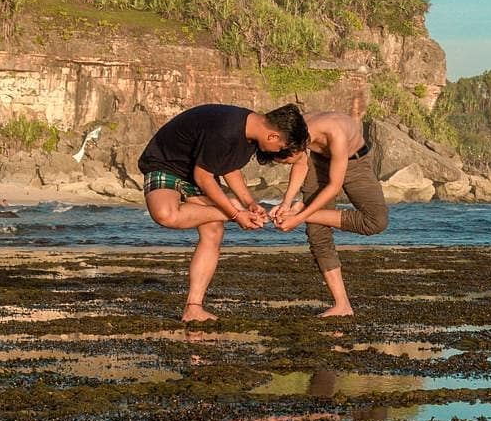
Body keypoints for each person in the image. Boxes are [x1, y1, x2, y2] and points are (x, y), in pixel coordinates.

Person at [138, 103, 309, 322]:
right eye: (282, 147)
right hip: (166, 162)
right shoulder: (226, 129)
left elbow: (228, 167)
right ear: (273, 136)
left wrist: (249, 203)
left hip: (196, 170)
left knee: (213, 231)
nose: (279, 153)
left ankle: (194, 308)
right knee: (165, 214)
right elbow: (203, 177)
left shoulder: (249, 134)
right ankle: (227, 212)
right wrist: (235, 215)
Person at [271, 107, 388, 317]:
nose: (287, 163)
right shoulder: (297, 131)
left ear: (297, 148)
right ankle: (342, 305)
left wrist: (299, 217)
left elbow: (334, 186)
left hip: (354, 162)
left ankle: (305, 210)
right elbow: (300, 163)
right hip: (318, 161)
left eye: (286, 160)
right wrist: (286, 203)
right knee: (318, 233)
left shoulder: (335, 133)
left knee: (376, 221)